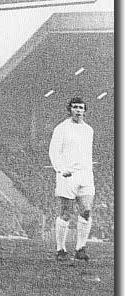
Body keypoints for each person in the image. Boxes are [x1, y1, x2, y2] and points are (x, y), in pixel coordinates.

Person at [49, 97, 95, 262]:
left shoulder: (89, 130)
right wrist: (61, 169)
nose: (78, 110)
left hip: (85, 175)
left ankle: (80, 248)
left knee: (86, 211)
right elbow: (53, 152)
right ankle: (60, 249)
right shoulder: (61, 128)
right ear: (70, 109)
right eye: (75, 107)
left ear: (85, 110)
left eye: (81, 107)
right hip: (67, 175)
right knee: (66, 213)